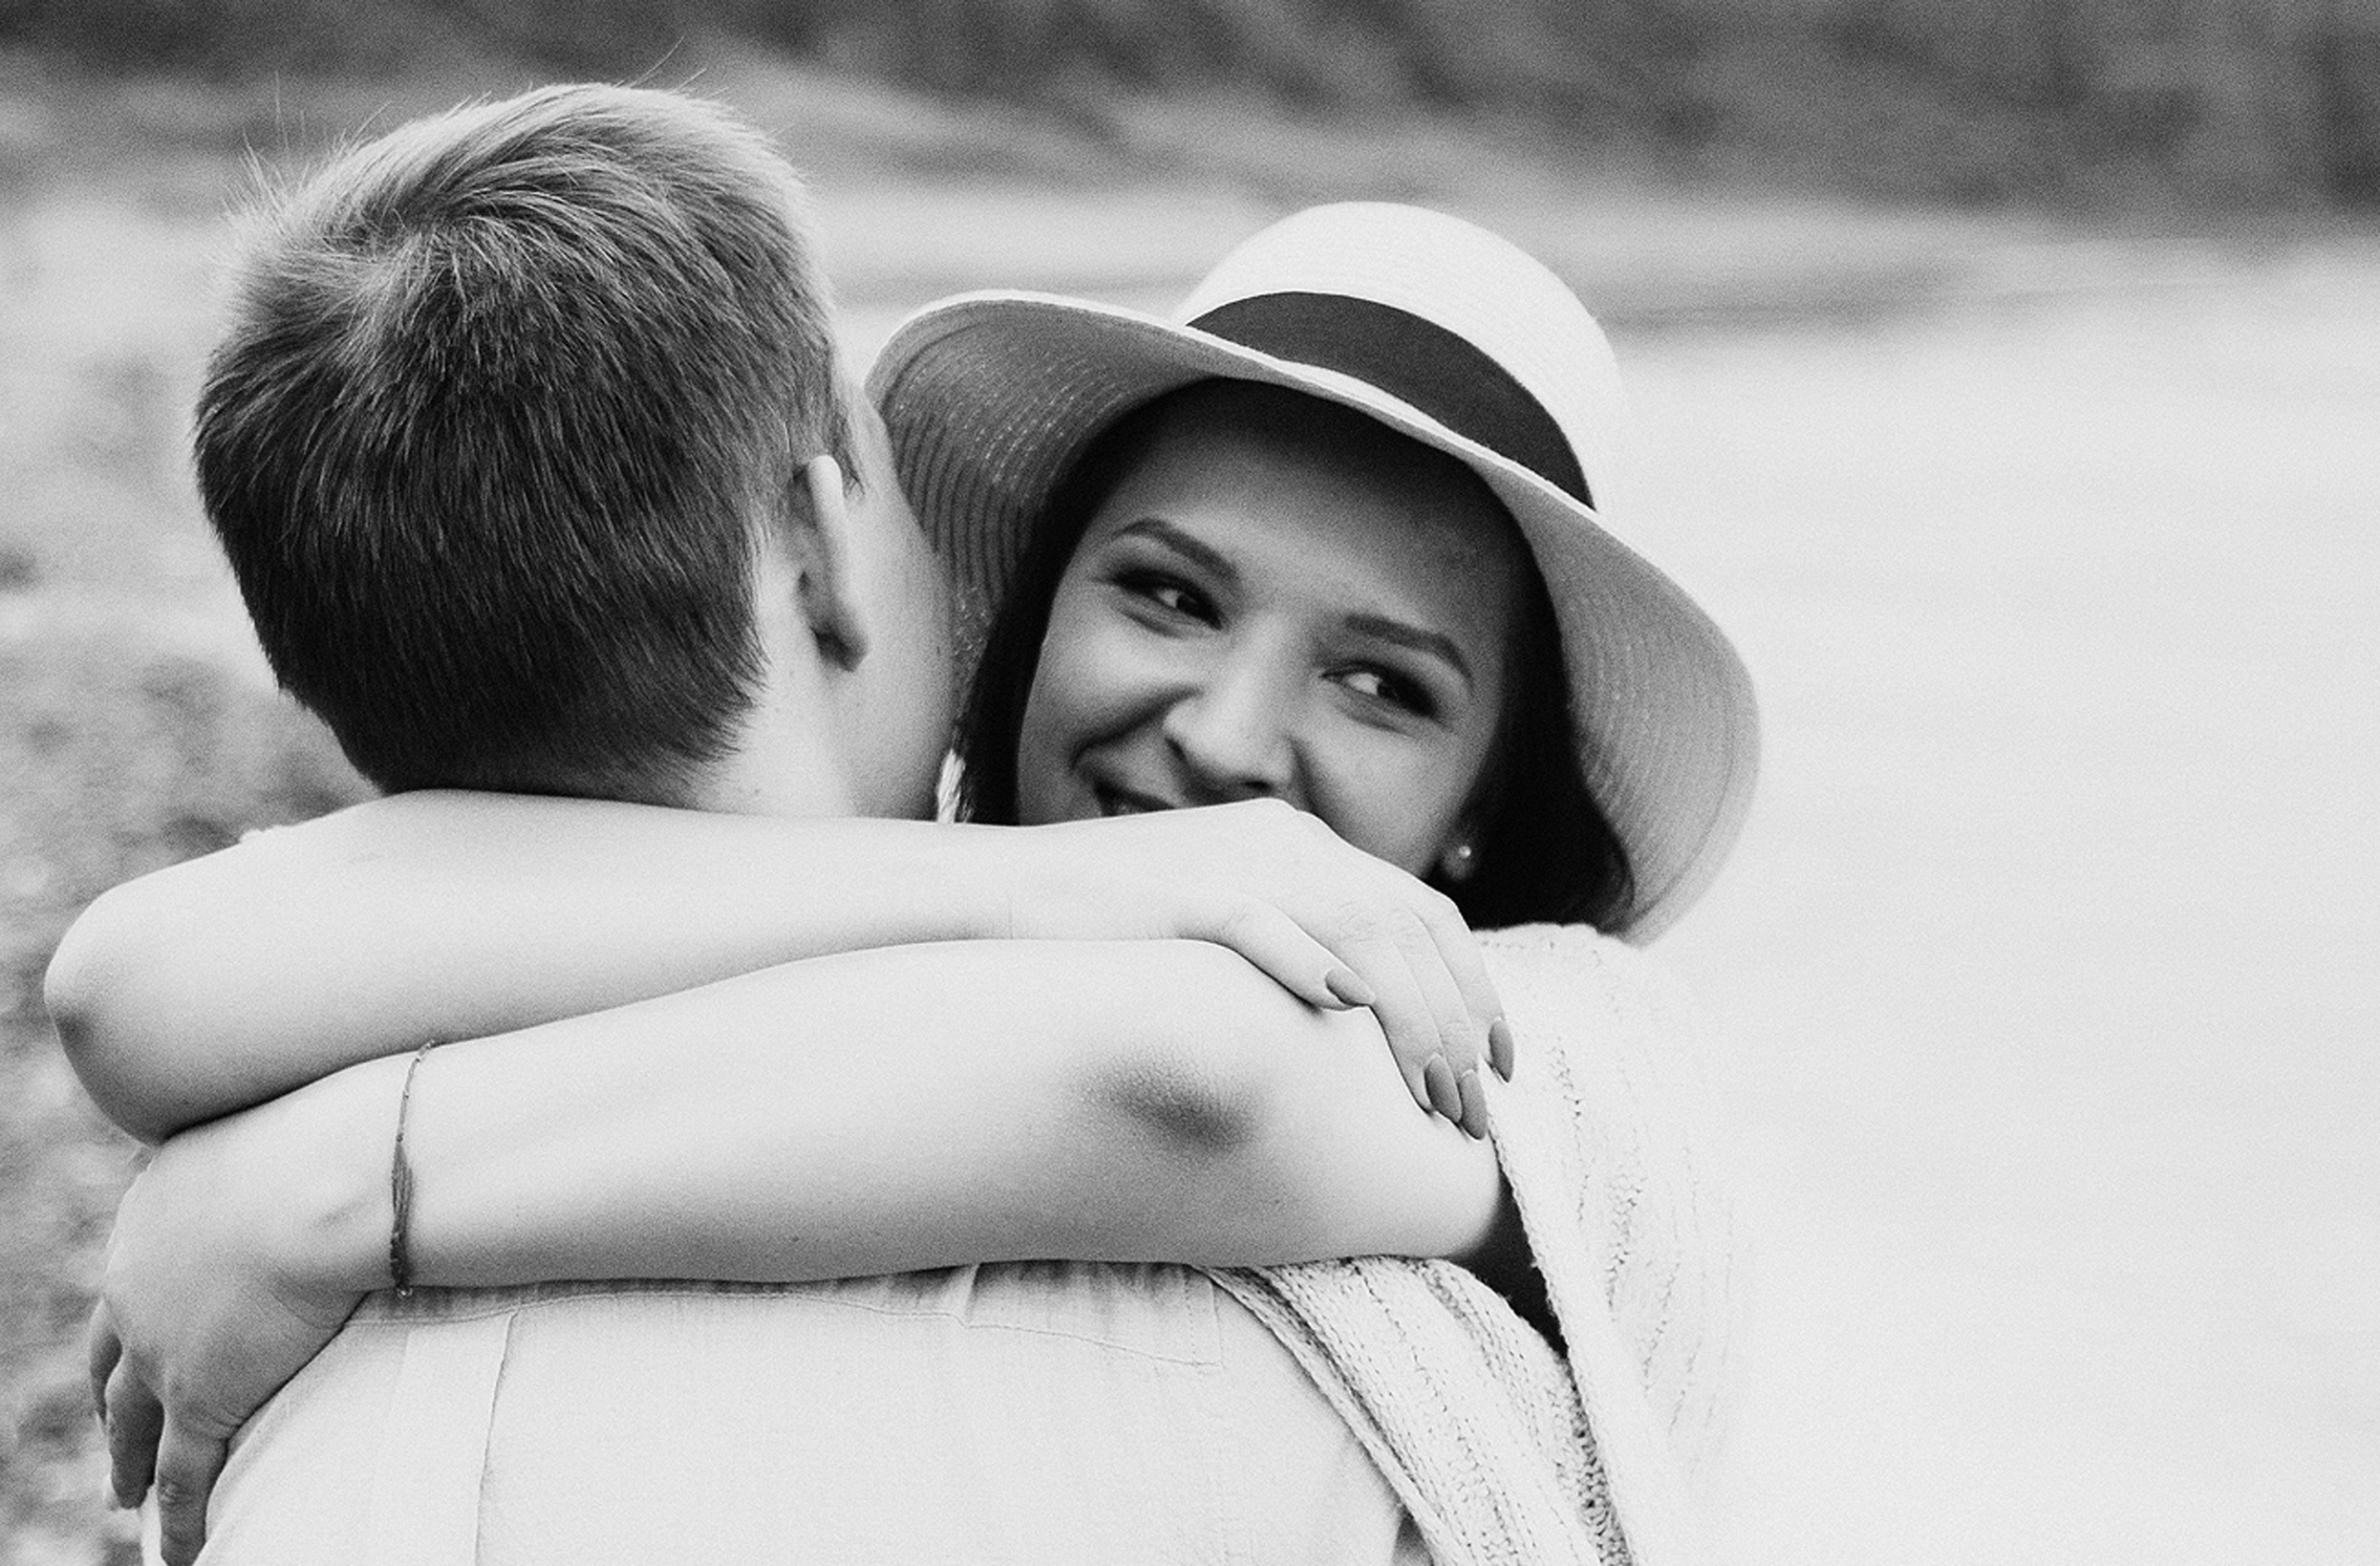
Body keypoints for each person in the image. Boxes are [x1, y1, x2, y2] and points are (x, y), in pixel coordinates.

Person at [56, 96, 1755, 1566]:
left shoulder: (1573, 1051)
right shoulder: (937, 917)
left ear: (1486, 808)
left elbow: (1188, 1070)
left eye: (1386, 689)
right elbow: (138, 973)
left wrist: (344, 1182)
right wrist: (1055, 882)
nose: (1230, 742)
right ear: (1027, 599)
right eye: (1164, 593)